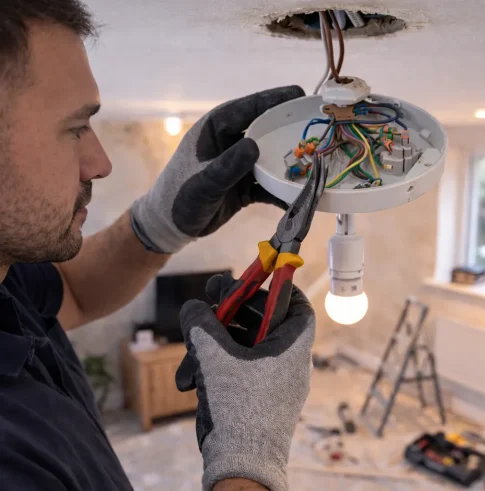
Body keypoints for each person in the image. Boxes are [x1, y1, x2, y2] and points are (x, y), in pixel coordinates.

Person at [0, 2, 316, 491]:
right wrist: (250, 458)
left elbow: (73, 292)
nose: (100, 163)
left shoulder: (8, 270)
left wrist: (160, 221)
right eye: (75, 128)